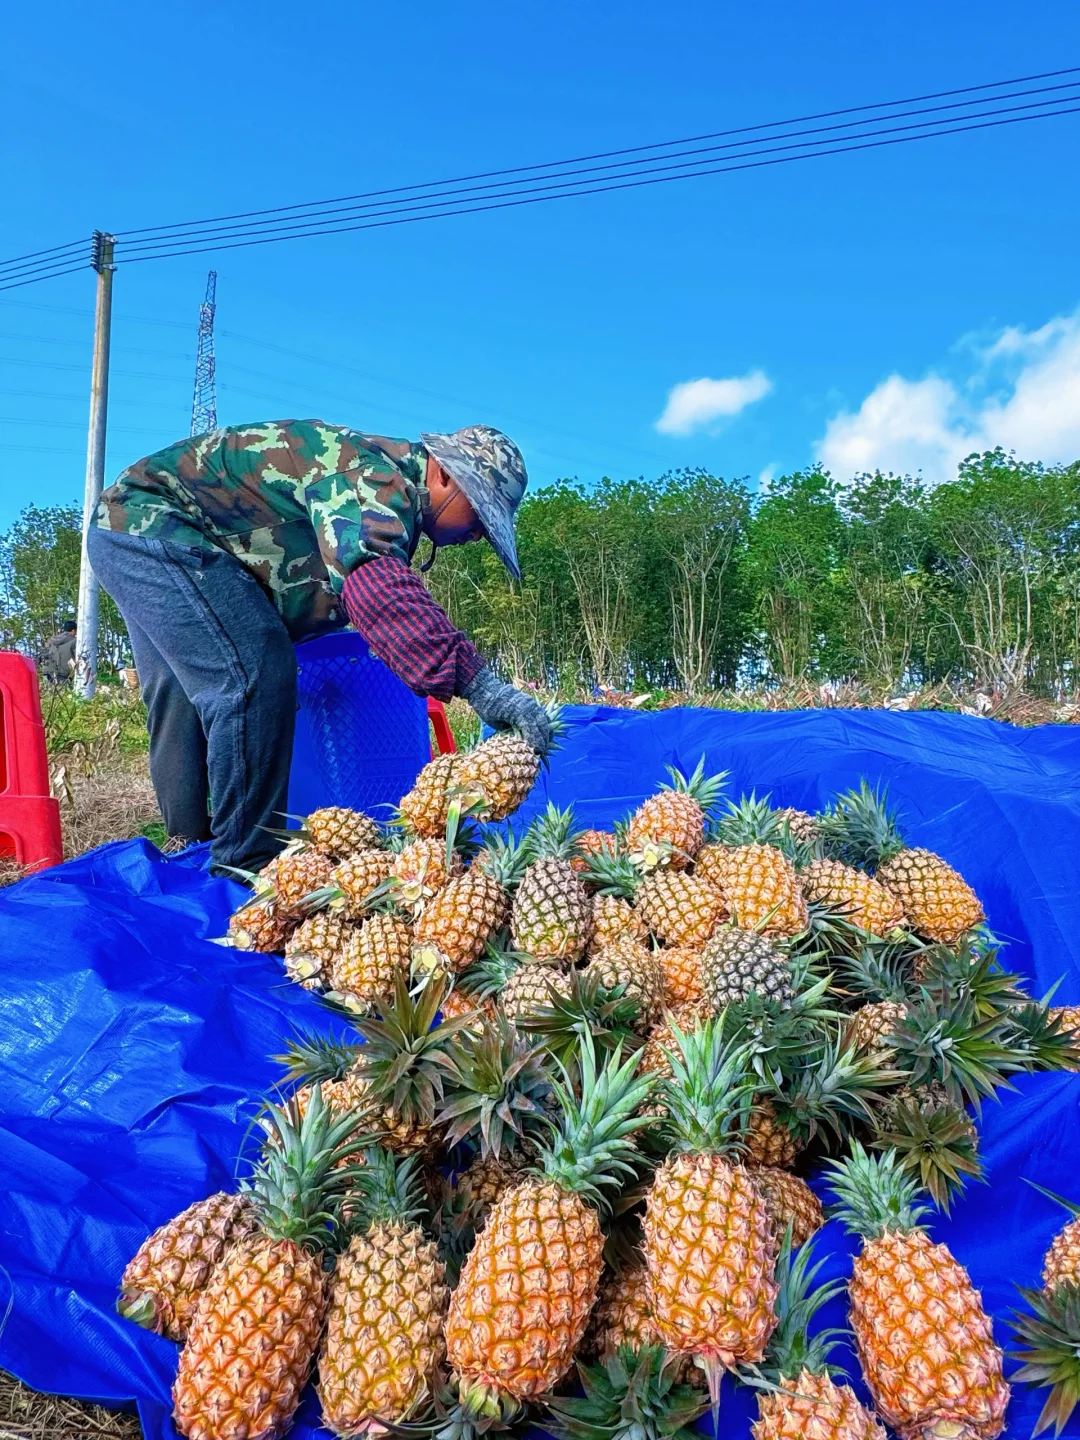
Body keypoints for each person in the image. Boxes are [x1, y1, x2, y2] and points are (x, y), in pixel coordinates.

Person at [87, 420, 550, 873]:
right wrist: (480, 685)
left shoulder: (379, 480)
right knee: (254, 673)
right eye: (478, 516)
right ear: (444, 473)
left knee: (182, 690)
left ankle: (186, 846)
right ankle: (244, 865)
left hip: (128, 527)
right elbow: (375, 585)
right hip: (156, 524)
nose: (477, 536)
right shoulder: (373, 476)